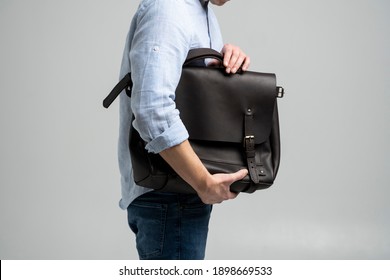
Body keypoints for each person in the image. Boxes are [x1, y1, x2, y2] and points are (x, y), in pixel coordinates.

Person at [117, 0, 250, 260]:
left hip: (180, 189)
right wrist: (203, 183)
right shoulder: (169, 8)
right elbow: (152, 110)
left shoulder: (201, 12)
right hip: (170, 193)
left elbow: (192, 93)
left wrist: (224, 65)